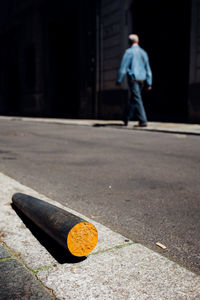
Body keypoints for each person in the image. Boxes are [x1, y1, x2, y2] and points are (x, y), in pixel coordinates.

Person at [116, 34, 152, 127]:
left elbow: (123, 68)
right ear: (138, 41)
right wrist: (149, 83)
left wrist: (119, 80)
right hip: (142, 79)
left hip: (133, 78)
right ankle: (126, 118)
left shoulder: (129, 52)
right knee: (135, 97)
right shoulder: (144, 53)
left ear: (129, 42)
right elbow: (148, 69)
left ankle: (143, 120)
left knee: (136, 98)